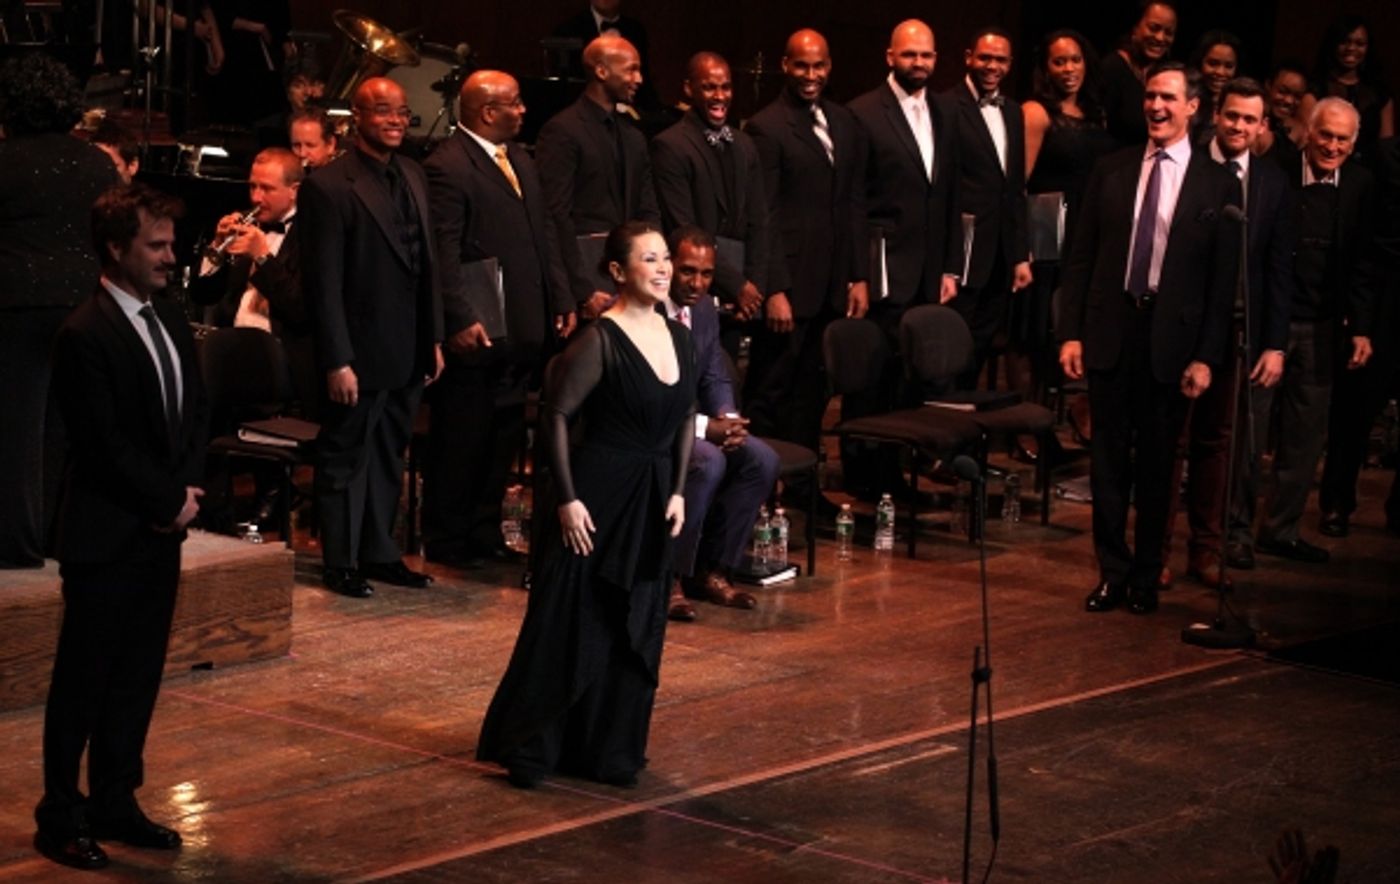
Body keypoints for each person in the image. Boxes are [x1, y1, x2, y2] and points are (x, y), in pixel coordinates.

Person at [477, 220, 695, 790]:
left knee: (635, 622)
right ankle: (532, 746)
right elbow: (554, 417)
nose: (663, 269)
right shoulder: (598, 340)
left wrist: (677, 490)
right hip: (597, 496)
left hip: (652, 496)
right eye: (649, 259)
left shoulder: (680, 336)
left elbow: (683, 421)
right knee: (572, 619)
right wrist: (567, 500)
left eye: (665, 258)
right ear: (619, 271)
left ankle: (606, 749)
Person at [34, 183, 208, 870]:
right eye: (156, 245)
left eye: (171, 243)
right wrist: (168, 500)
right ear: (115, 249)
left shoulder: (171, 318)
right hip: (107, 534)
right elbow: (102, 444)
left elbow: (192, 412)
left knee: (137, 676)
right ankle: (59, 814)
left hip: (160, 531)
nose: (171, 256)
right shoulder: (85, 332)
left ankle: (115, 799)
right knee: (83, 682)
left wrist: (186, 491)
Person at [1058, 62, 1241, 615]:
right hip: (1112, 332)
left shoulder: (1218, 183)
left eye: (1168, 98)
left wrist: (1206, 356)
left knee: (1159, 467)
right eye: (1150, 96)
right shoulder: (1111, 169)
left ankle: (1144, 576)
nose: (1156, 107)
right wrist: (1071, 334)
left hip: (1172, 342)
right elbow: (1081, 258)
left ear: (1194, 108)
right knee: (1108, 463)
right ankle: (1112, 573)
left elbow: (1221, 285)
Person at [421, 70, 574, 569]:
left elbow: (544, 235)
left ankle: (484, 530)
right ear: (488, 112)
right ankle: (447, 537)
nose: (524, 110)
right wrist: (459, 317)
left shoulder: (521, 160)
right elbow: (443, 252)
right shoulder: (447, 166)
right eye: (515, 103)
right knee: (464, 436)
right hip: (478, 327)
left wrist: (561, 297)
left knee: (504, 434)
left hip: (521, 327)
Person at [299, 77, 444, 598]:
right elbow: (323, 285)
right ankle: (340, 561)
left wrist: (434, 338)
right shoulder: (328, 186)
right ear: (355, 117)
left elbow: (426, 265)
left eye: (402, 112)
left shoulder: (413, 173)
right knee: (345, 455)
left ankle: (379, 552)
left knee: (388, 454)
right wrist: (337, 359)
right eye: (383, 111)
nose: (396, 120)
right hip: (357, 352)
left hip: (408, 347)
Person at [1164, 78, 1297, 589]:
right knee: (1171, 442)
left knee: (1217, 444)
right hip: (1181, 328)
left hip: (1237, 331)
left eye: (1250, 119)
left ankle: (1205, 550)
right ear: (1216, 115)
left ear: (1263, 126)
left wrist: (1275, 342)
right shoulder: (1187, 165)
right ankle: (1157, 552)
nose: (1239, 126)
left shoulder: (1272, 183)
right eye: (1232, 115)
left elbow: (1278, 270)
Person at [0, 54, 119, 569]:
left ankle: (15, 545)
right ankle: (58, 539)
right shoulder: (96, 163)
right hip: (85, 306)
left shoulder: (5, 160)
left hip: (17, 306)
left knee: (16, 429)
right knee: (66, 429)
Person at [1250, 98, 1376, 565]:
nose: (1332, 146)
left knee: (1304, 441)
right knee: (1251, 433)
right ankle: (1236, 532)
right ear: (1308, 133)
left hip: (1323, 329)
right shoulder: (1276, 173)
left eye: (1342, 139)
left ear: (1353, 144)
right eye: (1326, 135)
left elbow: (1363, 262)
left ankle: (1280, 531)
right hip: (1270, 325)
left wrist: (1361, 327)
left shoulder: (1361, 185)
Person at [845, 18, 961, 493]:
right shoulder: (862, 112)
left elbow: (948, 195)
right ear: (890, 56)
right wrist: (857, 273)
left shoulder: (945, 110)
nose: (919, 62)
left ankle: (894, 473)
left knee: (909, 379)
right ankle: (862, 474)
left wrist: (950, 266)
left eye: (926, 54)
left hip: (928, 270)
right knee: (871, 374)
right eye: (910, 54)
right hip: (883, 267)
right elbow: (853, 200)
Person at [744, 28, 868, 462]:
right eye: (801, 65)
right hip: (791, 287)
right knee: (772, 389)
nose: (810, 75)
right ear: (785, 65)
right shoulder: (766, 126)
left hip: (831, 283)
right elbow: (764, 215)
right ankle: (760, 480)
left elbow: (852, 202)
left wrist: (858, 275)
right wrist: (774, 288)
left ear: (829, 66)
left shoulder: (844, 121)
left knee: (813, 391)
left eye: (818, 66)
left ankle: (801, 481)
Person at [664, 226, 779, 621]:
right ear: (668, 265)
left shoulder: (704, 310)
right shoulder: (644, 308)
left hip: (692, 423)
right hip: (653, 429)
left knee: (761, 459)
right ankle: (669, 576)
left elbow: (714, 373)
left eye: (707, 274)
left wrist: (728, 419)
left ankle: (712, 569)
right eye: (687, 271)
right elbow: (650, 396)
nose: (697, 283)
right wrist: (704, 428)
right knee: (707, 460)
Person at [1019, 30, 1115, 433]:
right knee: (1038, 330)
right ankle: (1027, 423)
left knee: (1074, 324)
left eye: (1075, 59)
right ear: (1046, 68)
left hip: (1085, 232)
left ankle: (1069, 411)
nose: (1069, 68)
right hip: (1045, 233)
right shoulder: (1036, 112)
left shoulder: (1096, 113)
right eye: (1059, 61)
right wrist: (1021, 248)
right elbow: (1019, 185)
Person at [535, 34, 661, 322]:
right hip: (588, 283)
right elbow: (555, 217)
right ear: (602, 71)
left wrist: (653, 270)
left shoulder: (633, 136)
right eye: (631, 69)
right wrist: (582, 290)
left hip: (632, 280)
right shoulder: (562, 131)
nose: (639, 79)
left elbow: (648, 210)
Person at [1317, 134, 1400, 540]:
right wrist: (1362, 322)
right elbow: (1367, 245)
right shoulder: (1388, 156)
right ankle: (1336, 502)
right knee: (1355, 409)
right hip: (1385, 298)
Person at [945, 27, 1032, 390]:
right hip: (961, 250)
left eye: (1000, 60)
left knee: (982, 339)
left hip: (1001, 251)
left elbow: (1015, 188)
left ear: (1010, 64)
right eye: (985, 57)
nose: (992, 66)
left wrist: (1020, 254)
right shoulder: (946, 106)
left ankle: (965, 409)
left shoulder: (1013, 111)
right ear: (969, 58)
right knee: (952, 341)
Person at [651, 51, 768, 320]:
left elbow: (760, 222)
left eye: (726, 87)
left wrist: (754, 289)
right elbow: (683, 227)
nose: (719, 96)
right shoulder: (670, 146)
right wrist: (737, 285)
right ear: (688, 89)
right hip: (697, 291)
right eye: (709, 88)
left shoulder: (745, 145)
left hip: (745, 296)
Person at [1300, 16, 1394, 168]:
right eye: (1345, 42)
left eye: (1359, 43)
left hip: (1371, 173)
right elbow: (1306, 141)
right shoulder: (1316, 89)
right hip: (1325, 167)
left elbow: (1386, 147)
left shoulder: (1380, 93)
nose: (1351, 48)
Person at [1100, 0, 1178, 147]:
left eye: (1168, 33)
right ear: (1135, 27)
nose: (1160, 37)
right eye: (1154, 28)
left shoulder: (1168, 74)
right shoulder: (1111, 69)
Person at [1188, 30, 1242, 144]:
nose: (1220, 72)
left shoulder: (1242, 106)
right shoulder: (1186, 100)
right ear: (1200, 62)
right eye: (1213, 63)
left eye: (1229, 66)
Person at [1257, 60, 1311, 157]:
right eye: (1282, 92)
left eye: (1297, 96)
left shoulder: (1299, 134)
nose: (1289, 101)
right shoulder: (1250, 122)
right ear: (1268, 85)